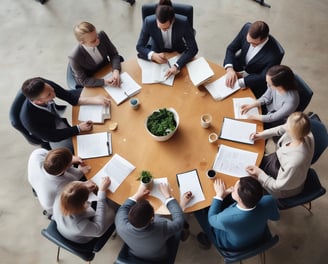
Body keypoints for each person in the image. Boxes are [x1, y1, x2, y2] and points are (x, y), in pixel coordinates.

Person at [20, 77, 110, 152]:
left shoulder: (45, 85)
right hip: (51, 131)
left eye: (52, 90)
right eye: (49, 95)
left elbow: (68, 96)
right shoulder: (29, 120)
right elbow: (53, 136)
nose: (54, 95)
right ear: (38, 101)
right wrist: (78, 128)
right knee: (72, 151)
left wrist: (94, 100)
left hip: (54, 116)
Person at [115, 183, 193, 263]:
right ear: (152, 218)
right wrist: (168, 197)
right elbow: (179, 222)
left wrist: (138, 194)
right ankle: (184, 232)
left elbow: (123, 208)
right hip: (159, 259)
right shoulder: (162, 227)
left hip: (135, 253)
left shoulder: (120, 225)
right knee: (174, 219)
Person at [195, 177, 280, 250]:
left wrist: (219, 196)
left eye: (234, 189)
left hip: (233, 245)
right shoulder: (269, 200)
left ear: (239, 199)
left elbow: (212, 219)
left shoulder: (226, 218)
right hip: (258, 236)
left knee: (199, 213)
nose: (232, 188)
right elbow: (275, 217)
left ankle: (205, 239)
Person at [246, 112, 314, 198]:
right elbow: (282, 128)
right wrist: (261, 135)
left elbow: (277, 186)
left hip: (282, 188)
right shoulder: (305, 131)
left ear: (292, 132)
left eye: (287, 125)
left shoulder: (294, 161)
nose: (285, 125)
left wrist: (260, 175)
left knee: (247, 179)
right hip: (280, 164)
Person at [136, 0, 198, 79]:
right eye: (160, 27)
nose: (163, 30)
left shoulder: (183, 22)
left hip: (177, 53)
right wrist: (152, 55)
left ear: (173, 20)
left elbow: (193, 49)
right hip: (157, 52)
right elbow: (139, 46)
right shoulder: (148, 22)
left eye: (166, 28)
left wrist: (177, 65)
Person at [223, 21, 283, 98]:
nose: (250, 45)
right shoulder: (246, 28)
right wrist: (230, 69)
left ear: (264, 39)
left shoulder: (275, 54)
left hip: (252, 80)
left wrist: (240, 82)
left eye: (254, 44)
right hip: (237, 68)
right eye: (249, 41)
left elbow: (263, 77)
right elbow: (231, 48)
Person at [52, 177, 116, 243]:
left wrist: (84, 187)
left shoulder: (61, 197)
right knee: (113, 209)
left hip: (66, 224)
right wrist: (101, 193)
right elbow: (99, 231)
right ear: (82, 203)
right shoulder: (79, 226)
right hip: (86, 234)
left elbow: (73, 191)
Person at [28, 148, 89, 215]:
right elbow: (75, 179)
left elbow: (52, 156)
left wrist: (71, 158)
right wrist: (81, 171)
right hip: (55, 208)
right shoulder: (63, 184)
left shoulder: (36, 154)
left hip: (38, 184)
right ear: (65, 168)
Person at [69, 21, 122, 88]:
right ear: (82, 43)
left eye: (97, 36)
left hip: (106, 69)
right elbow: (84, 80)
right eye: (93, 41)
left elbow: (114, 54)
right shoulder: (74, 57)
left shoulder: (102, 35)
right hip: (92, 79)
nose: (98, 40)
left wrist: (116, 71)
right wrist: (104, 82)